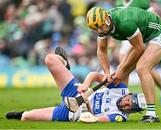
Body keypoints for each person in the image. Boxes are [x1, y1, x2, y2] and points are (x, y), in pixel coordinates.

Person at [6, 47, 146, 123]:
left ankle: (22, 113)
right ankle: (65, 64)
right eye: (129, 100)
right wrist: (85, 85)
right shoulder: (120, 88)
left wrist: (86, 106)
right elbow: (94, 75)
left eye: (129, 107)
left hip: (71, 113)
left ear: (132, 111)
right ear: (129, 94)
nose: (126, 104)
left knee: (26, 117)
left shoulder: (118, 117)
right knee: (50, 59)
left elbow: (95, 120)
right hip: (75, 92)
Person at [86, 6, 161, 123]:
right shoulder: (102, 25)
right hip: (145, 38)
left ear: (107, 19)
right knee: (120, 70)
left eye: (100, 27)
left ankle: (152, 114)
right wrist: (107, 72)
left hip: (160, 34)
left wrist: (122, 70)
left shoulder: (124, 23)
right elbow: (101, 50)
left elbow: (139, 48)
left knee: (142, 68)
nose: (99, 31)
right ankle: (118, 103)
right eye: (95, 29)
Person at [116, 0, 161, 104]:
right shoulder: (118, 3)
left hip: (141, 35)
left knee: (145, 68)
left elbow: (153, 15)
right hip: (126, 38)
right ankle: (122, 98)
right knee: (122, 68)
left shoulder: (141, 2)